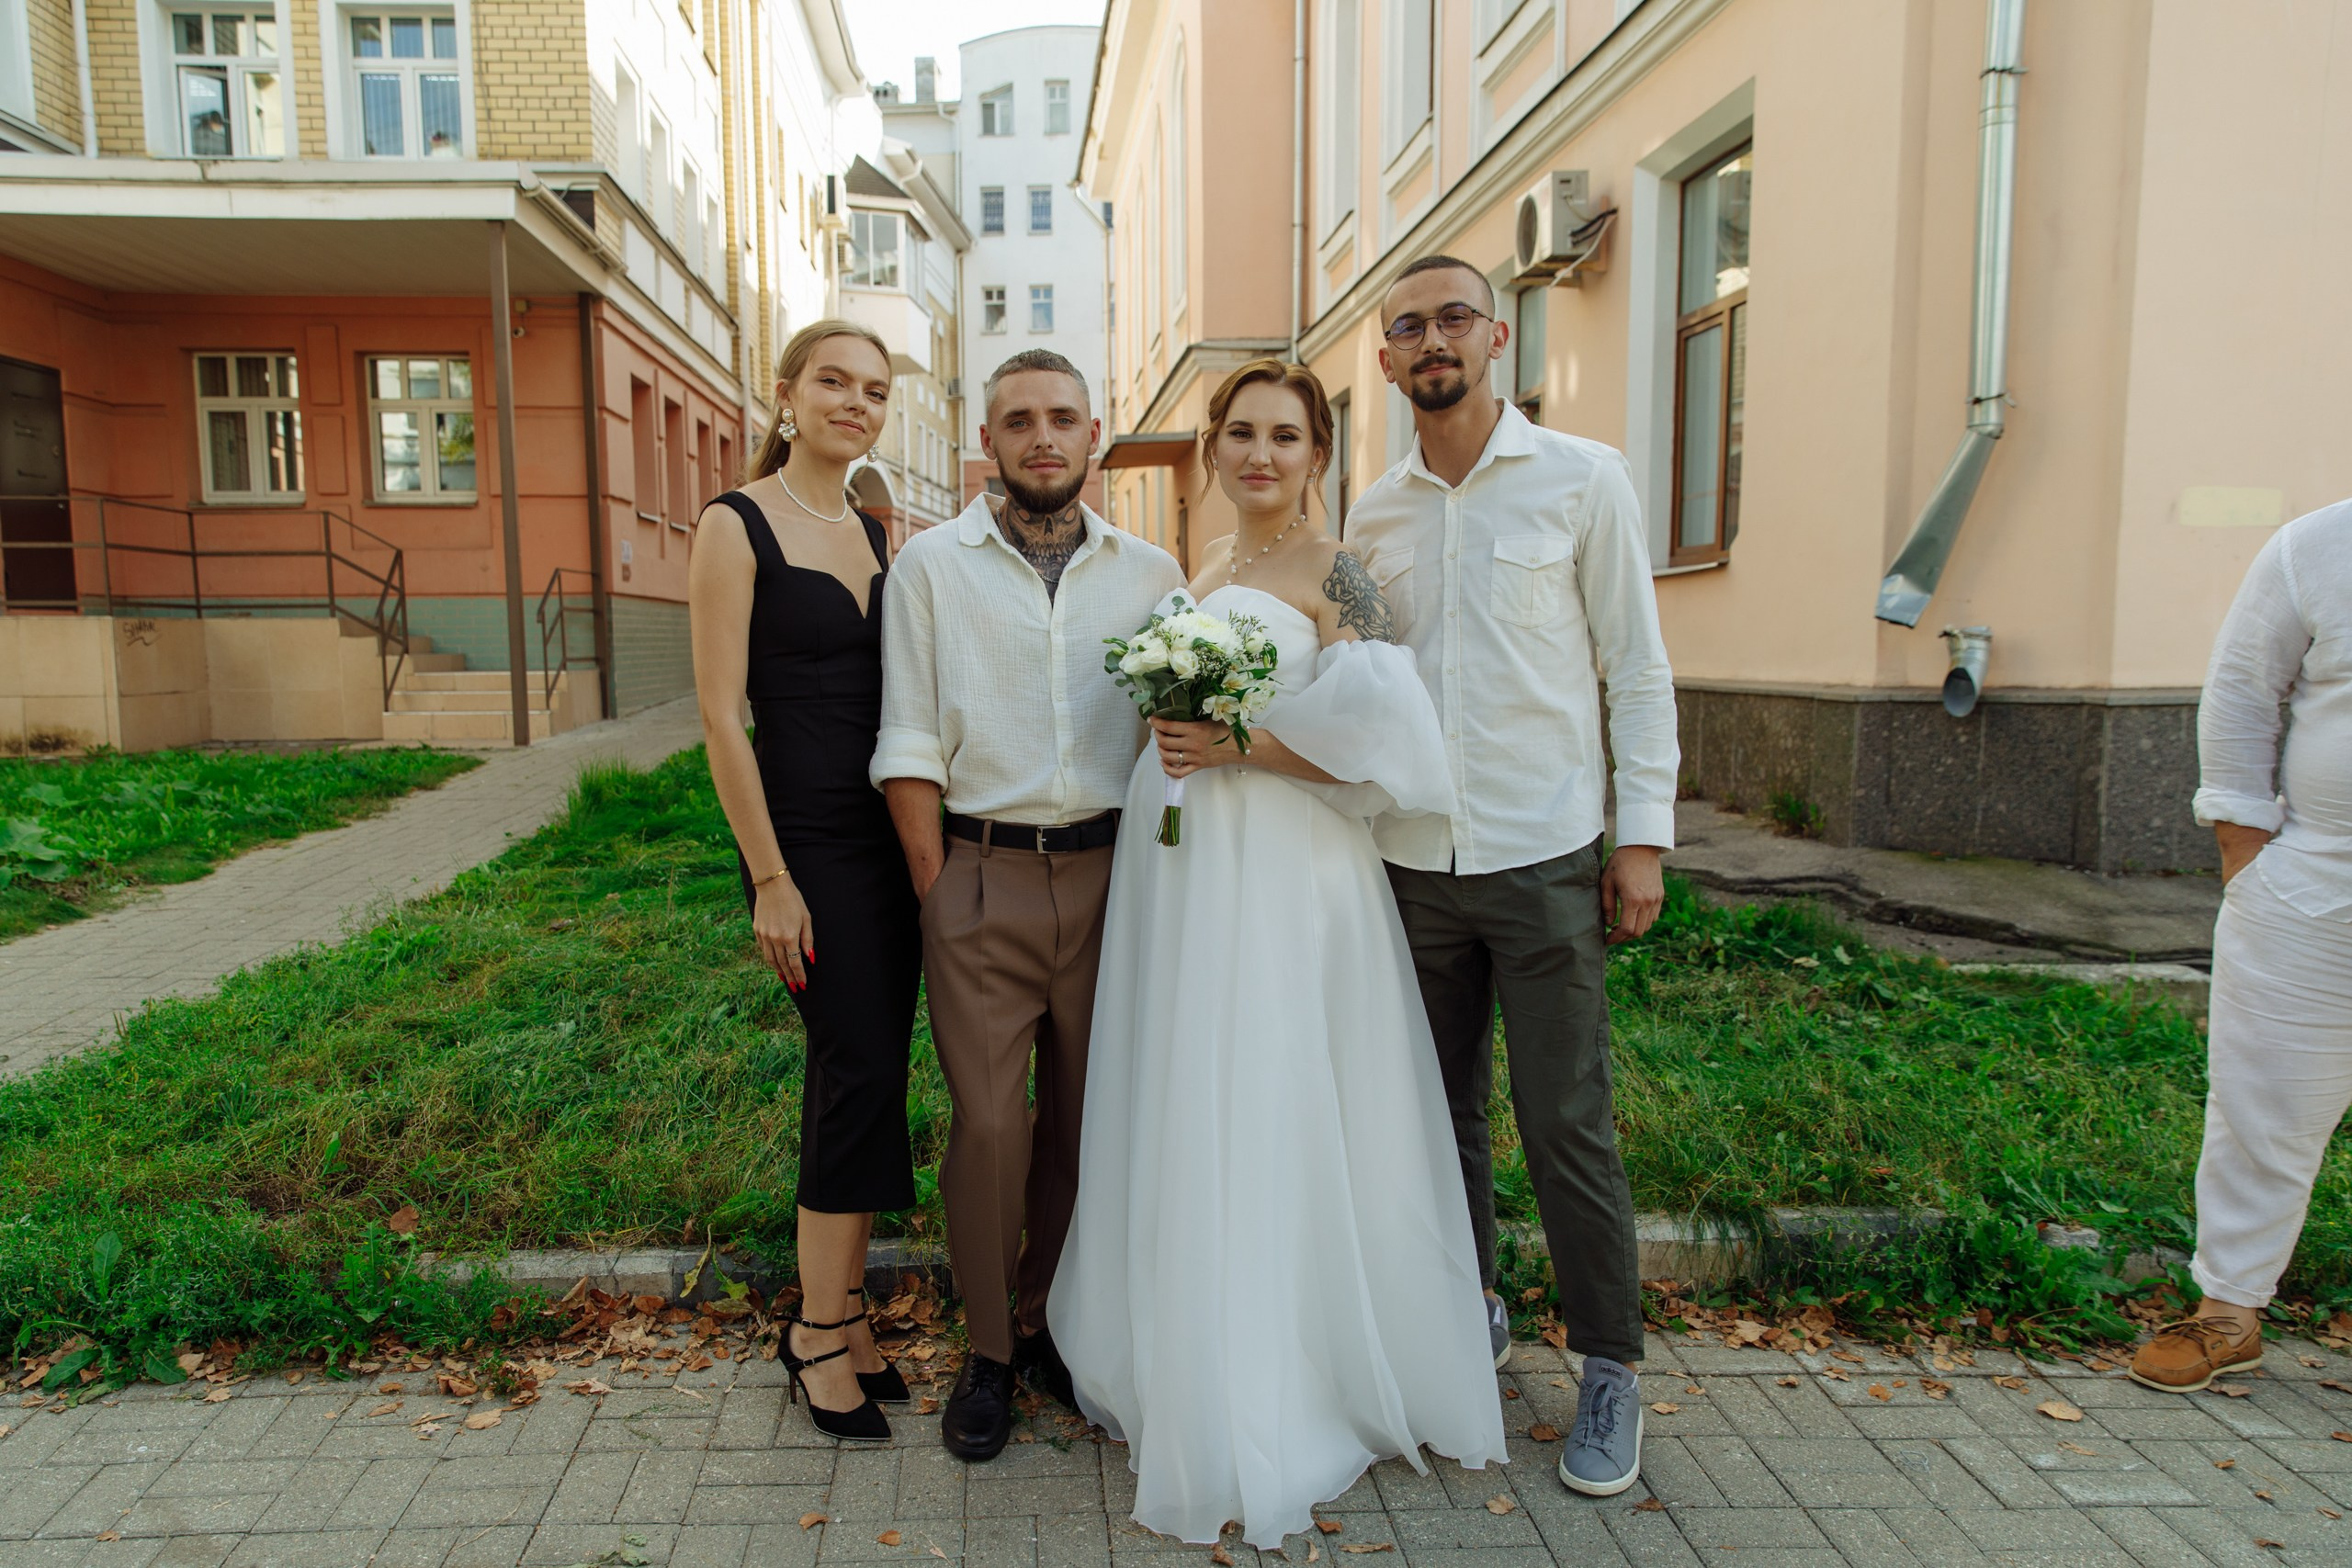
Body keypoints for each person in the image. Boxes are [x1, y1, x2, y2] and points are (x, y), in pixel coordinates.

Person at [1051, 358, 1506, 1550]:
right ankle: (1181, 1343)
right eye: (1242, 433)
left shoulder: (1344, 573)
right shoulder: (1205, 571)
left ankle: (1281, 1369)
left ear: (1318, 455)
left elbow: (1381, 755)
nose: (1261, 454)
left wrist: (1238, 740)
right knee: (1191, 1088)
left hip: (1284, 877)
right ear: (1212, 449)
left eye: (1286, 436)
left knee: (1269, 1092)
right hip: (1185, 876)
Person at [1343, 255, 1679, 1498]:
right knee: (1435, 1126)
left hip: (1544, 857)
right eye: (1408, 327)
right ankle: (1463, 1313)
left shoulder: (1584, 480)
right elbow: (1349, 667)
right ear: (1386, 359)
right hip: (1408, 865)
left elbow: (1635, 666)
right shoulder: (1369, 521)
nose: (1431, 340)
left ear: (1495, 335)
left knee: (1565, 1120)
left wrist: (1639, 831)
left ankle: (1608, 1362)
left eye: (1451, 320)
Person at [872, 349, 1184, 1461]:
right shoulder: (930, 569)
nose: (1041, 438)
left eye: (1061, 419)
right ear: (987, 443)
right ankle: (990, 1351)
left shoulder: (1152, 576)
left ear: (1094, 435)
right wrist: (938, 884)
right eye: (1017, 422)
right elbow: (906, 737)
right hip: (980, 874)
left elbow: (1173, 738)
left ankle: (1050, 1320)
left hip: (1116, 880)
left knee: (1084, 1122)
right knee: (992, 1126)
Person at [687, 320, 917, 1443]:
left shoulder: (875, 528)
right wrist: (769, 876)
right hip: (804, 842)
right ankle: (814, 1330)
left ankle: (850, 1311)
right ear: (786, 396)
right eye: (833, 382)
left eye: (873, 391)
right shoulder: (734, 526)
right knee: (854, 1066)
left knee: (873, 1073)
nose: (855, 403)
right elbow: (720, 718)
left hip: (885, 837)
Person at [2129, 499, 2352, 1394]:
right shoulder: (2314, 546)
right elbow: (2240, 688)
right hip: (2316, 882)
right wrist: (2242, 852)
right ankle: (2228, 1312)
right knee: (2263, 1100)